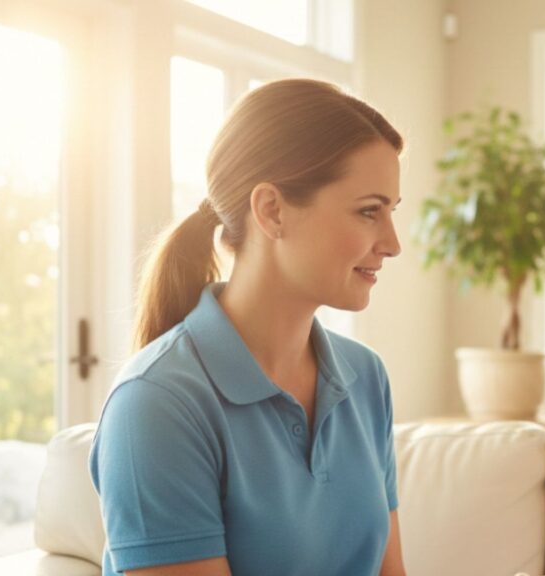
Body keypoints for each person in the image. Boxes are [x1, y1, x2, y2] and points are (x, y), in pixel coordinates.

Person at [89, 79, 407, 576]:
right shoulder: (155, 404)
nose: (392, 243)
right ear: (272, 210)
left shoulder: (366, 377)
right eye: (369, 211)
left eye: (391, 212)